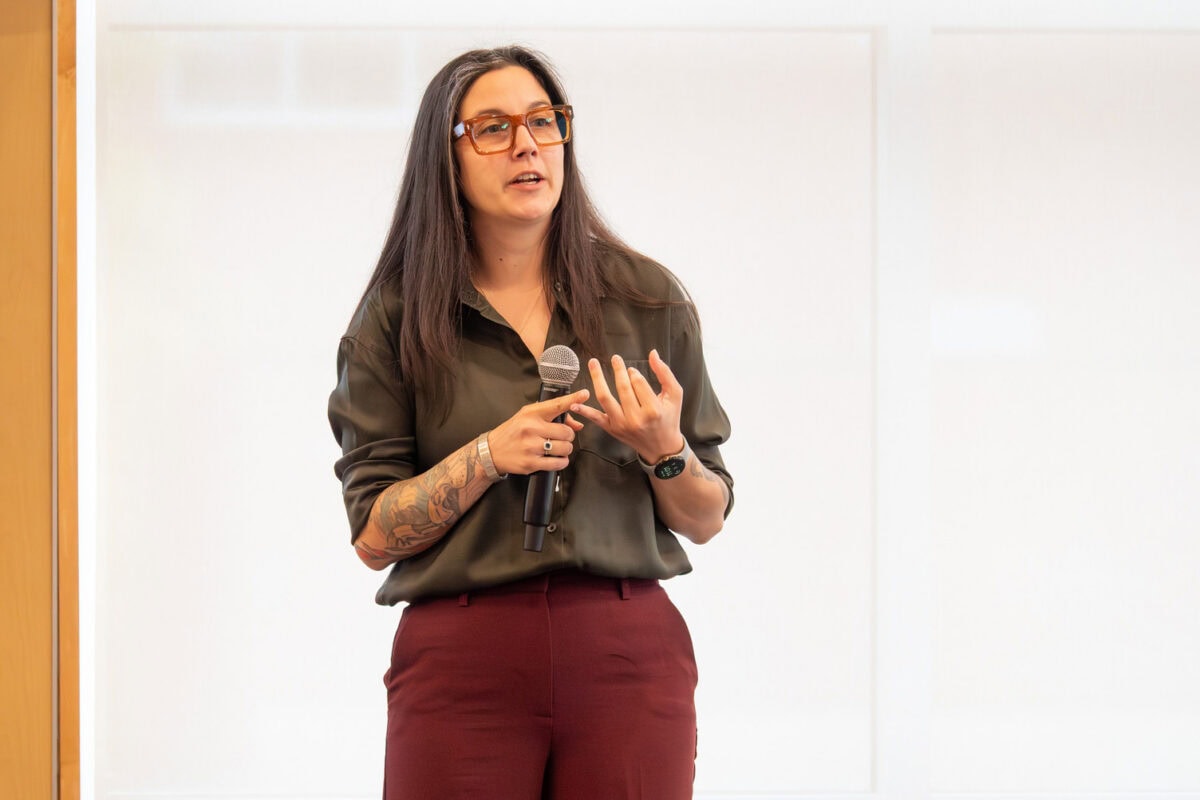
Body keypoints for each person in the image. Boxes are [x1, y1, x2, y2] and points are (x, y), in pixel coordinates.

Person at [327, 45, 733, 800]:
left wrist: (665, 451)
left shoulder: (648, 301)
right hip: (463, 659)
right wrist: (485, 456)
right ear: (446, 157)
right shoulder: (394, 320)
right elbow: (374, 538)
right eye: (493, 128)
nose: (526, 145)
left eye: (544, 122)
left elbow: (707, 518)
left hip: (624, 653)